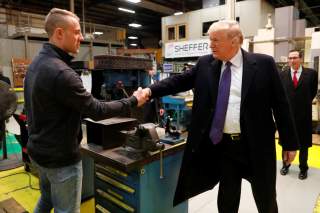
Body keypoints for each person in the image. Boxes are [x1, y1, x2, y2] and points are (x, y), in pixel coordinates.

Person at [142, 20, 299, 213]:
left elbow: (281, 106)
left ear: (236, 41)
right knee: (227, 198)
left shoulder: (264, 64)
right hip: (225, 148)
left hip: (257, 147)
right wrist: (149, 91)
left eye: (216, 40)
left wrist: (290, 143)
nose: (211, 45)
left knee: (266, 198)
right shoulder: (206, 64)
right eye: (210, 40)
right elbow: (178, 82)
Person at [24, 8, 148, 213]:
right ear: (59, 33)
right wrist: (133, 100)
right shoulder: (62, 72)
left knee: (46, 200)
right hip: (61, 160)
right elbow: (97, 110)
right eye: (76, 31)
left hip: (39, 152)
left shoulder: (37, 63)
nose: (81, 37)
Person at [279, 50, 318, 180]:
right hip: (287, 115)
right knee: (286, 142)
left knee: (304, 144)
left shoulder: (311, 74)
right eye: (290, 58)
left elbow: (312, 92)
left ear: (300, 59)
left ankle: (303, 168)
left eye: (295, 58)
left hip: (303, 115)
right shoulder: (282, 74)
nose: (292, 60)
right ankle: (286, 164)